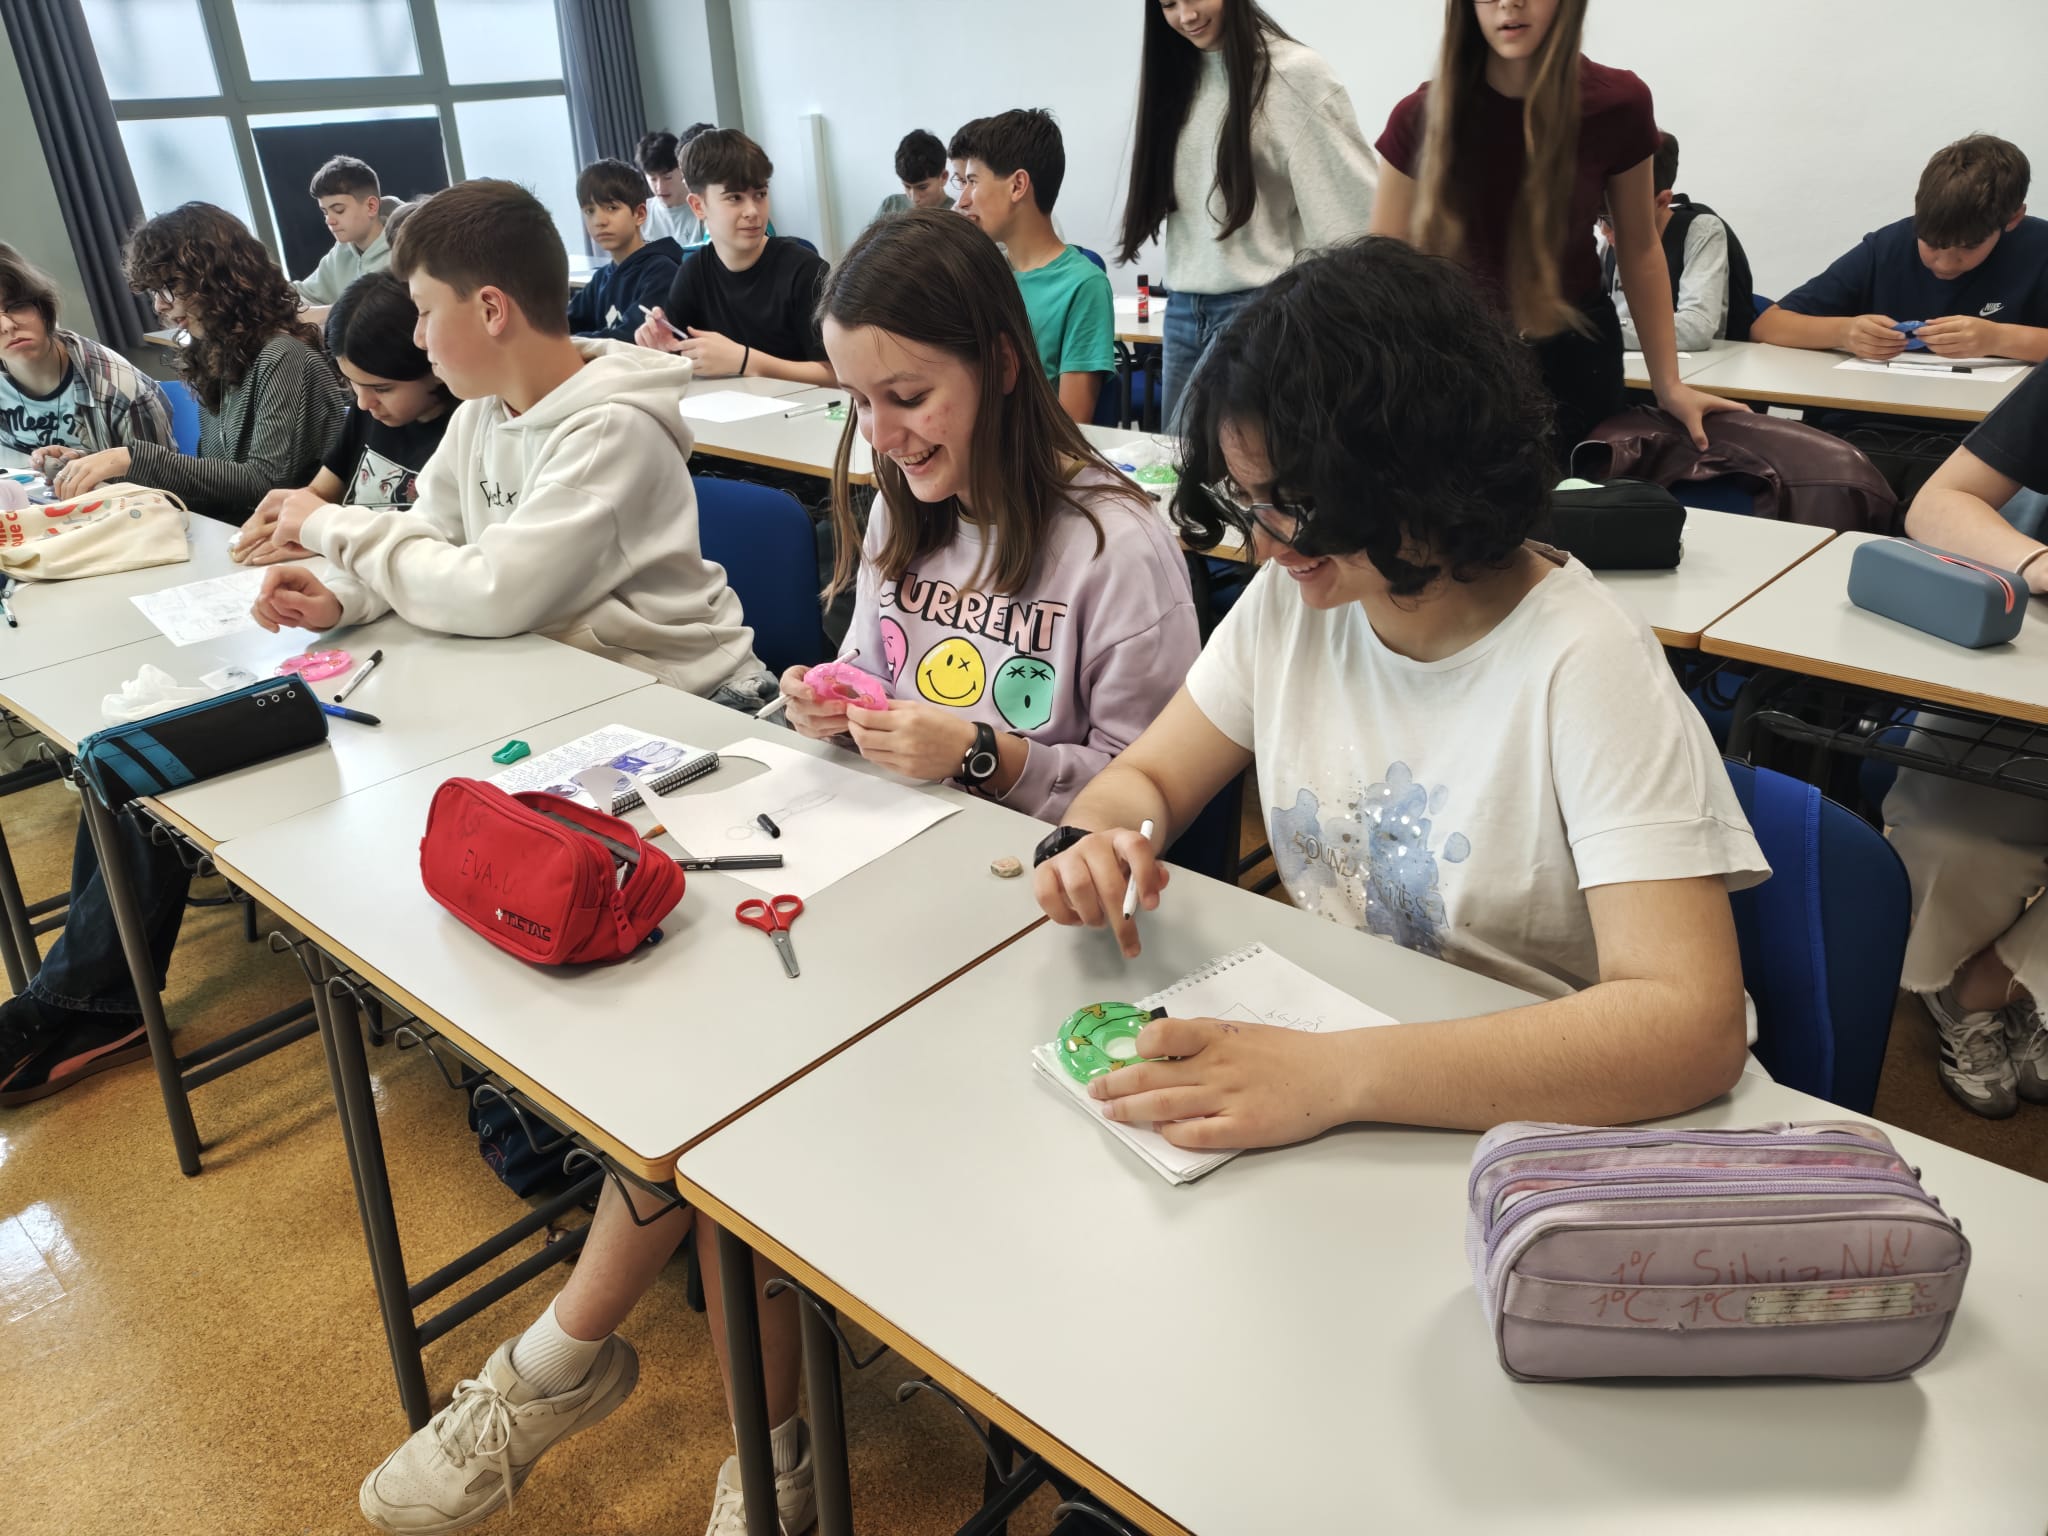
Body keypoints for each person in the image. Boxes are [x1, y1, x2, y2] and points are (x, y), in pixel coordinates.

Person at [1034, 236, 1767, 1149]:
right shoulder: (1299, 600)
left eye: (1299, 504)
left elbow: (1688, 1028)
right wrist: (1101, 838)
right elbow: (1147, 780)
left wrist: (1339, 1075)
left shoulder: (1585, 663)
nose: (1266, 544)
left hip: (1547, 1115)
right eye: (1251, 501)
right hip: (1364, 1065)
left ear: (1423, 472)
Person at [247, 179, 768, 704]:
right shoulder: (481, 411)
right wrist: (344, 595)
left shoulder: (611, 430)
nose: (419, 338)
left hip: (694, 695)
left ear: (491, 310)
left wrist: (328, 523)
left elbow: (493, 593)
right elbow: (431, 532)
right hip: (573, 676)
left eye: (425, 312)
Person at [1372, 0, 1741, 459]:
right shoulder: (1421, 117)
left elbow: (1640, 245)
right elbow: (1382, 274)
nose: (1509, 4)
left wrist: (1668, 384)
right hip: (1458, 364)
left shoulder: (1618, 103)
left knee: (1582, 498)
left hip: (1577, 357)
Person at [1879, 364, 2048, 1117]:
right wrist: (2036, 562)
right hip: (2029, 669)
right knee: (1958, 837)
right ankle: (1963, 981)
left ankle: (1997, 984)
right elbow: (1938, 502)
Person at [1115, 0, 1378, 421]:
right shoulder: (1175, 73)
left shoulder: (1295, 75)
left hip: (1261, 307)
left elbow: (1352, 218)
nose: (1186, 16)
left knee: (1237, 457)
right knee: (1179, 456)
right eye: (1168, 4)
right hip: (1181, 309)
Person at [49, 202, 346, 522]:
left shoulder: (284, 355)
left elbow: (265, 483)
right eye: (154, 292)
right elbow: (217, 487)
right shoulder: (215, 355)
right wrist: (104, 468)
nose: (159, 305)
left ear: (220, 278)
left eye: (169, 286)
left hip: (291, 539)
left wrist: (132, 459)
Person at [1753, 134, 2048, 363]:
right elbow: (1767, 325)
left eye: (1968, 247)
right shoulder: (1887, 247)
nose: (1944, 263)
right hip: (1871, 413)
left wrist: (1999, 339)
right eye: (1931, 243)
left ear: (2013, 218)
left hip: (1992, 421)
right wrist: (1843, 332)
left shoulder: (2038, 249)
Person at [231, 271, 453, 566]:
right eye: (351, 383)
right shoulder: (370, 411)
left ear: (434, 366)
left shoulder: (462, 432)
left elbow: (433, 550)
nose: (363, 402)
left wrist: (332, 536)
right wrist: (292, 511)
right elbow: (321, 492)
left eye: (382, 389)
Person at [950, 109, 1116, 423]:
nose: (962, 201)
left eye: (972, 182)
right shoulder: (981, 275)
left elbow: (1072, 423)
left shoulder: (1083, 286)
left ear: (1017, 185)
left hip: (1033, 450)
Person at [633, 129, 831, 387]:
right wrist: (662, 347)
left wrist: (746, 361)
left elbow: (838, 376)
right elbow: (681, 360)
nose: (752, 211)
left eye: (760, 194)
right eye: (735, 198)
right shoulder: (694, 273)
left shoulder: (805, 272)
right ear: (698, 206)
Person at [0, 241, 172, 467]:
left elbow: (162, 476)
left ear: (42, 307)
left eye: (17, 306)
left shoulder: (120, 389)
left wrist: (92, 467)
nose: (7, 325)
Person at [1599, 131, 1755, 351]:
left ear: (1662, 201)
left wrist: (1600, 329)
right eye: (1598, 216)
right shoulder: (1608, 244)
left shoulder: (1701, 232)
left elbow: (1695, 330)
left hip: (1696, 367)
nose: (1603, 230)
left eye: (1615, 219)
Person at [567, 157, 684, 344]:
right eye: (590, 211)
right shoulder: (601, 278)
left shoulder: (662, 272)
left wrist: (567, 342)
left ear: (640, 214)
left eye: (611, 208)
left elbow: (629, 338)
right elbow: (564, 324)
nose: (599, 221)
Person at [292, 156, 392, 320]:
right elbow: (302, 294)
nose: (329, 220)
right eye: (325, 212)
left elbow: (371, 315)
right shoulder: (341, 251)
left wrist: (329, 313)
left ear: (371, 206)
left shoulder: (404, 254)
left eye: (338, 210)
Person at [635, 123, 714, 248]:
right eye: (653, 179)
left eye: (667, 177)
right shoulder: (642, 214)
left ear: (682, 170)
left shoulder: (703, 207)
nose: (660, 188)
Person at [874, 127, 953, 219]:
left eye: (922, 187)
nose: (914, 198)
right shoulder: (891, 205)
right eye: (907, 186)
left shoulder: (957, 215)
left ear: (943, 177)